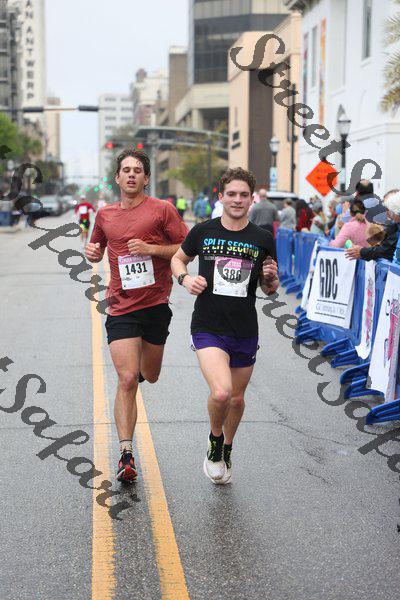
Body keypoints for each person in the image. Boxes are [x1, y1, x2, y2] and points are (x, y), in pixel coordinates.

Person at [84, 149, 188, 483]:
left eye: (137, 170)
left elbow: (187, 249)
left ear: (146, 178)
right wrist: (91, 252)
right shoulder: (105, 215)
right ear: (117, 177)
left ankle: (140, 369)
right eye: (126, 170)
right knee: (127, 379)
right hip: (121, 307)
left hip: (156, 304)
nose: (131, 174)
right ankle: (126, 454)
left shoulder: (162, 210)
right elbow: (96, 249)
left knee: (149, 375)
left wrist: (151, 249)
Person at [171, 167, 278, 485]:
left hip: (244, 329)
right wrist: (186, 279)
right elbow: (177, 259)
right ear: (221, 197)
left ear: (252, 198)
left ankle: (227, 448)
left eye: (244, 194)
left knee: (236, 400)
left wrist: (270, 279)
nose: (237, 199)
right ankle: (215, 441)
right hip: (208, 326)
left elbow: (270, 288)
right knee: (221, 393)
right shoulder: (203, 231)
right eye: (231, 194)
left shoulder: (263, 239)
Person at [346, 189, 400, 262]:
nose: (388, 213)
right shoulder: (393, 225)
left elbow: (386, 250)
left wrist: (362, 251)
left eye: (389, 209)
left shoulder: (389, 223)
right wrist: (362, 251)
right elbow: (381, 245)